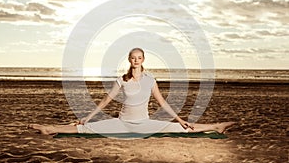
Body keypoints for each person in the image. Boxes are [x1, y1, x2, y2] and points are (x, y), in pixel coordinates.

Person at [29, 48, 235, 135]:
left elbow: (162, 102)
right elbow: (105, 101)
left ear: (143, 60)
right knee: (85, 128)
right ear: (129, 60)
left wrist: (180, 118)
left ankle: (216, 127)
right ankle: (48, 128)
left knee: (180, 128)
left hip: (144, 124)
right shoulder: (122, 80)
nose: (136, 60)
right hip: (122, 123)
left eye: (139, 57)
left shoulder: (150, 79)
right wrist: (87, 116)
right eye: (133, 57)